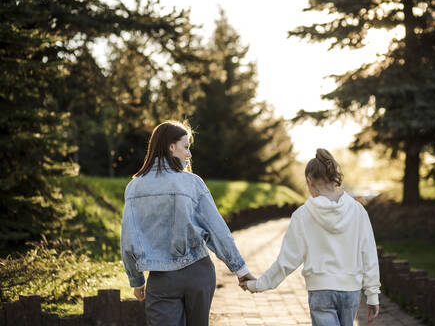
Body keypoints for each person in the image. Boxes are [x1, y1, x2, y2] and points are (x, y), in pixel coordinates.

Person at [120, 120, 255, 326]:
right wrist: (240, 270)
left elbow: (128, 240)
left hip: (161, 278)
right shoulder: (193, 183)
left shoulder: (134, 188)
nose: (189, 154)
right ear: (171, 147)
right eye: (186, 147)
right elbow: (217, 230)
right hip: (198, 273)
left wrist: (136, 280)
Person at [240, 148, 381, 326]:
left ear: (309, 180)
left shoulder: (302, 214)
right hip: (350, 291)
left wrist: (258, 285)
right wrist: (373, 296)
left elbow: (287, 261)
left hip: (320, 291)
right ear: (333, 178)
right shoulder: (357, 210)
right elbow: (368, 254)